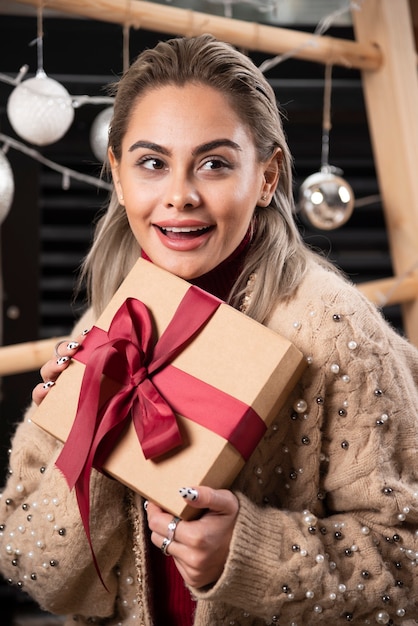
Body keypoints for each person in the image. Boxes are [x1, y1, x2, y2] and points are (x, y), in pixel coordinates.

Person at [1, 33, 418, 626]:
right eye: (152, 163)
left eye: (215, 163)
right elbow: (27, 561)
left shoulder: (339, 332)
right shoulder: (107, 324)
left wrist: (249, 554)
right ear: (118, 175)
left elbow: (407, 565)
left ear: (269, 176)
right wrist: (85, 446)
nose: (179, 196)